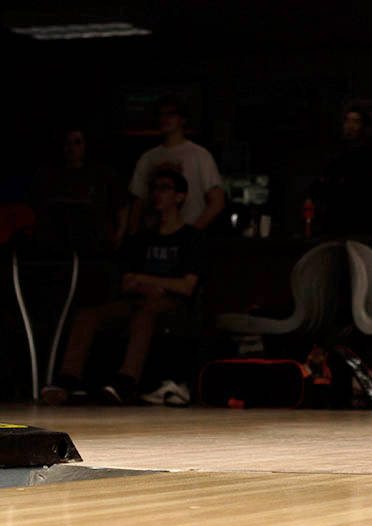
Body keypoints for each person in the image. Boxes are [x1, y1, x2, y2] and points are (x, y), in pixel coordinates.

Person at [42, 169, 207, 405]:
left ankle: (125, 382)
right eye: (154, 188)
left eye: (164, 188)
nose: (157, 194)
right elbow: (127, 280)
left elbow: (187, 286)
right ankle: (68, 379)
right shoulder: (142, 238)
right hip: (137, 297)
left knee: (146, 313)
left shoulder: (191, 238)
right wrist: (146, 284)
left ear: (180, 196)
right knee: (89, 315)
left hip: (170, 304)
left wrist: (150, 282)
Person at [126, 97, 225, 233]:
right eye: (161, 114)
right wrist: (134, 236)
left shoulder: (200, 155)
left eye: (171, 114)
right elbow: (138, 203)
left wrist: (192, 233)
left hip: (187, 234)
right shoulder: (148, 158)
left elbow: (217, 201)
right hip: (154, 237)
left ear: (182, 119)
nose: (164, 118)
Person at [28, 127, 127, 254]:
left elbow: (121, 202)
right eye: (67, 142)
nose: (71, 147)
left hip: (93, 245)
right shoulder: (48, 174)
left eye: (77, 142)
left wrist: (120, 233)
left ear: (85, 145)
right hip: (57, 244)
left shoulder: (102, 173)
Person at [312, 105, 372, 234]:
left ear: (364, 127)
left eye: (356, 121)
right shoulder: (335, 153)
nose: (350, 126)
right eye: (347, 121)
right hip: (336, 215)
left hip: (363, 215)